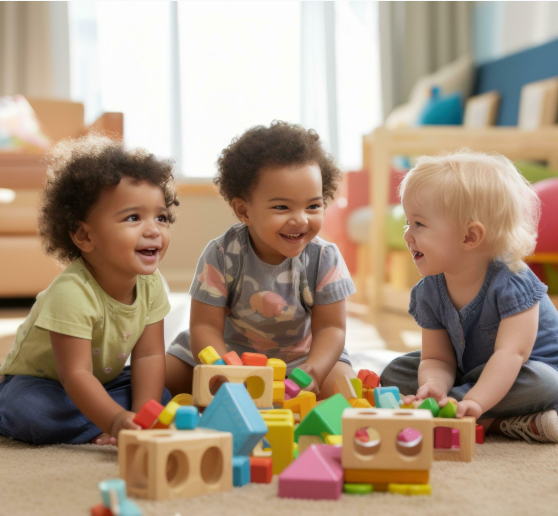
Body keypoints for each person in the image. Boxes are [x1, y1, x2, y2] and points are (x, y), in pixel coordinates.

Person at [0, 135, 178, 445]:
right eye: (134, 217)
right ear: (84, 236)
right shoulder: (72, 292)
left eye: (161, 217)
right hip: (40, 384)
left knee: (159, 394)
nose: (153, 229)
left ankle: (99, 422)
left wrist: (141, 416)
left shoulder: (151, 285)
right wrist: (115, 418)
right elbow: (75, 374)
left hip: (100, 382)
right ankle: (99, 424)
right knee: (33, 412)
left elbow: (149, 356)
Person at [166, 121, 356, 400]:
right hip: (228, 355)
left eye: (313, 206)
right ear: (244, 210)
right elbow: (204, 327)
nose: (301, 219)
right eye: (282, 207)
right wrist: (222, 372)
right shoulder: (222, 254)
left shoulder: (324, 258)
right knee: (157, 378)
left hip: (301, 359)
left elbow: (331, 328)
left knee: (345, 394)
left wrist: (313, 371)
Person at [381, 149, 558, 443]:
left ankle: (464, 410)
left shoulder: (514, 281)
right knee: (395, 371)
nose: (407, 235)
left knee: (547, 383)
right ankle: (501, 421)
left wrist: (473, 401)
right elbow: (437, 357)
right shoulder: (430, 290)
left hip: (526, 370)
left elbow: (510, 355)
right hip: (469, 371)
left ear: (469, 237)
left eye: (419, 224)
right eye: (407, 223)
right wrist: (433, 386)